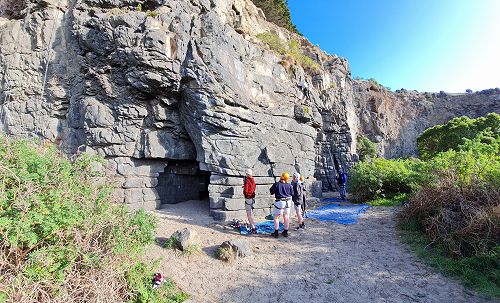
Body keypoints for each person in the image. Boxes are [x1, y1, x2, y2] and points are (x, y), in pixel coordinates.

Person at [269, 172, 293, 238]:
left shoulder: (277, 184)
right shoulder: (289, 185)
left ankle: (276, 233)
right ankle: (285, 232)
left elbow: (271, 192)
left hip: (280, 202)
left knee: (276, 217)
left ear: (281, 177)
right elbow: (292, 193)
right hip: (288, 202)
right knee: (286, 216)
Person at [243, 169, 257, 234]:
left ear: (247, 174)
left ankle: (253, 228)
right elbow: (253, 187)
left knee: (248, 214)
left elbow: (246, 190)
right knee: (251, 212)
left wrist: (245, 193)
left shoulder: (247, 181)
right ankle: (253, 224)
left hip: (248, 198)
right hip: (252, 197)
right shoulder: (253, 180)